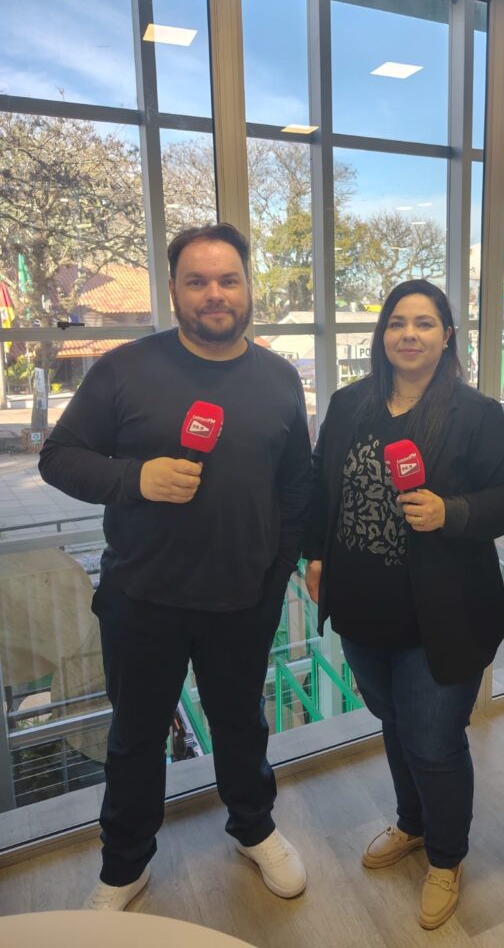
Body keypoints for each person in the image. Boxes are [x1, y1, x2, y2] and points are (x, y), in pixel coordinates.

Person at [39, 223, 312, 910]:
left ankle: (253, 828)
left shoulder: (280, 379)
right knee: (134, 738)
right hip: (142, 598)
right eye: (198, 281)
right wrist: (136, 478)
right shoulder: (124, 369)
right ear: (174, 290)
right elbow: (59, 457)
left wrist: (276, 573)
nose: (214, 293)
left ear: (248, 287)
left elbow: (295, 488)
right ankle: (125, 865)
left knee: (242, 726)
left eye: (228, 279)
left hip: (243, 599)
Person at [304, 279, 504, 929]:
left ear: (447, 336)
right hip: (362, 610)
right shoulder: (348, 405)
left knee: (433, 741)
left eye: (425, 323)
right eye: (397, 322)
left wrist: (451, 511)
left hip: (443, 616)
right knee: (394, 721)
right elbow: (322, 487)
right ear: (382, 335)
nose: (409, 334)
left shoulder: (475, 414)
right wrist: (316, 557)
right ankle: (412, 823)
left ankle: (446, 857)